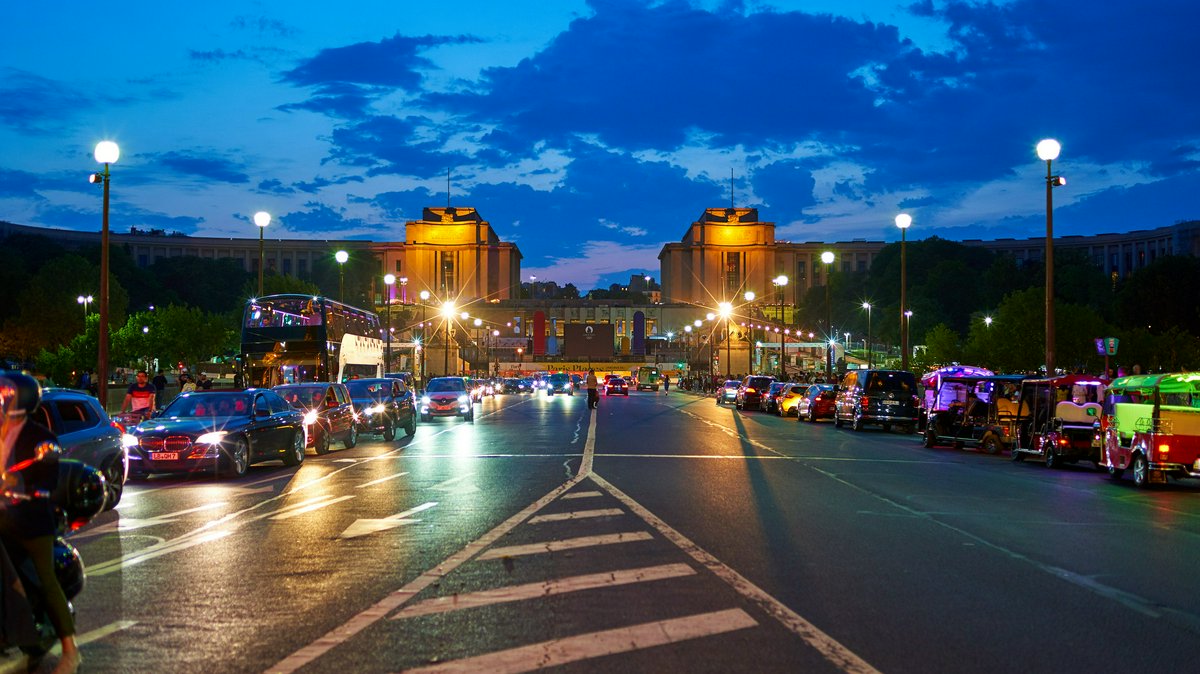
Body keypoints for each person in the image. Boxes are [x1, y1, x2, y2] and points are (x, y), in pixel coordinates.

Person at [0, 372, 82, 673]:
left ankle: (70, 652)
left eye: (4, 395)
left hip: (30, 518)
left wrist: (25, 487)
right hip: (2, 516)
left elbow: (46, 476)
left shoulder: (40, 438)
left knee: (46, 580)